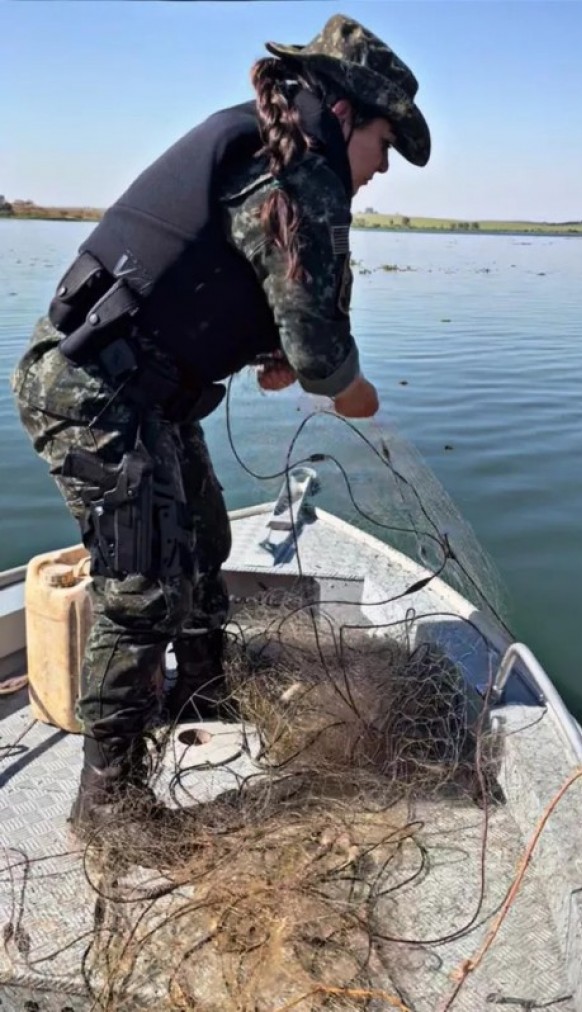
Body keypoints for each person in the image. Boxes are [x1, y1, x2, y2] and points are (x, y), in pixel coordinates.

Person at [12, 14, 430, 839]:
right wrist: (352, 392)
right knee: (140, 590)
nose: (381, 170)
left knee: (202, 539)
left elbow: (235, 295)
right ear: (344, 112)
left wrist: (259, 349)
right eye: (384, 144)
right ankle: (109, 803)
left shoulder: (274, 150)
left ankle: (201, 683)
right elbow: (323, 360)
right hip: (91, 392)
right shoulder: (292, 165)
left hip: (148, 393)